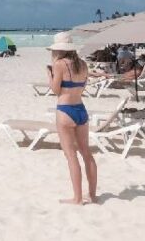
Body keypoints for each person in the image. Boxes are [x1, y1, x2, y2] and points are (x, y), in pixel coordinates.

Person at [47, 32, 97, 205]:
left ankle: (77, 198)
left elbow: (55, 90)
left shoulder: (59, 64)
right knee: (87, 153)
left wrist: (49, 75)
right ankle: (92, 195)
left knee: (71, 156)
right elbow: (82, 87)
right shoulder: (83, 64)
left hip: (65, 110)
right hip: (81, 109)